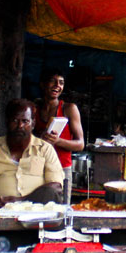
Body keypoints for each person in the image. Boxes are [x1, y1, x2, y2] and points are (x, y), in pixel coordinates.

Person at [33, 69, 84, 202]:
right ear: (42, 84)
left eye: (61, 82)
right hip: (36, 167)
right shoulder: (34, 109)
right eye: (52, 81)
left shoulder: (69, 109)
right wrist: (38, 138)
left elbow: (80, 144)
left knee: (60, 210)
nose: (57, 86)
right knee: (36, 208)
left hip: (62, 168)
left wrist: (57, 141)